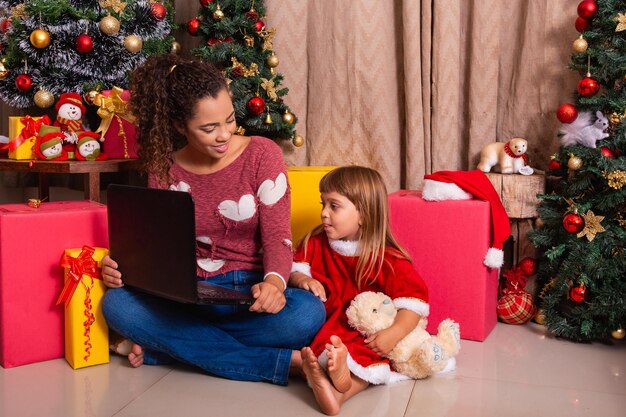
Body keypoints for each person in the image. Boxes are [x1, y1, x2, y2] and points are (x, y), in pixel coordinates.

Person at [101, 54, 325, 386]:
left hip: (250, 293)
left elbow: (278, 235)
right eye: (209, 128)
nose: (224, 134)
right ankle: (277, 363)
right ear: (180, 126)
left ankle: (168, 350)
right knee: (117, 305)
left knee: (306, 314)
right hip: (192, 294)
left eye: (230, 120)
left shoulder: (262, 154)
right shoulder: (164, 167)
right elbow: (160, 248)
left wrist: (276, 284)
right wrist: (124, 266)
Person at [290, 166, 433, 415]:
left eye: (334, 206)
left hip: (363, 332)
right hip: (327, 325)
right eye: (322, 203)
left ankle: (342, 388)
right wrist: (302, 278)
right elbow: (294, 268)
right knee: (324, 346)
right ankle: (334, 387)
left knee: (369, 354)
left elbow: (413, 302)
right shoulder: (315, 241)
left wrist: (394, 333)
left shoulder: (387, 258)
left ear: (363, 215)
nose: (323, 213)